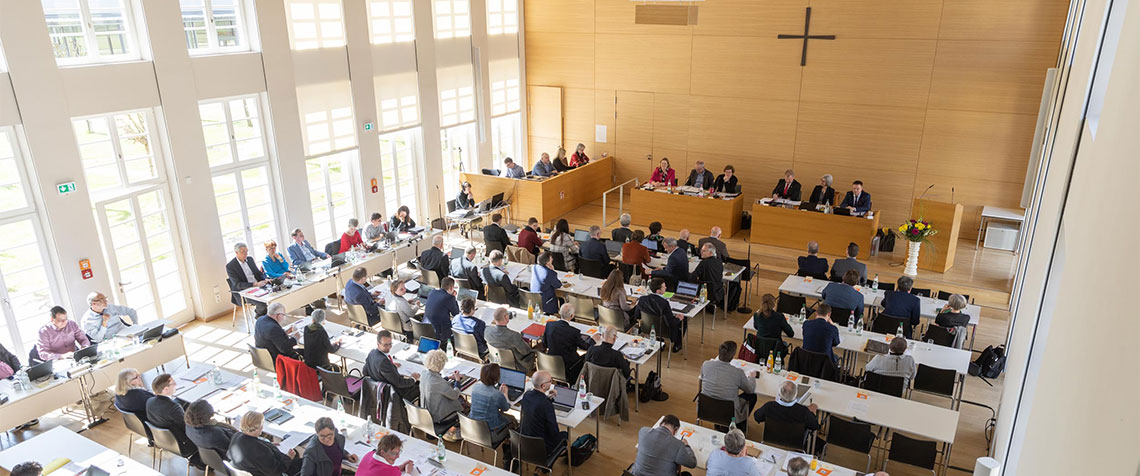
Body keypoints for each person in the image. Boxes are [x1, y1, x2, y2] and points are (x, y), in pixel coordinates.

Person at [147, 374, 204, 469]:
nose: (176, 385)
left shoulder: (150, 401)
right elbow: (187, 427)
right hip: (182, 444)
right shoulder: (173, 407)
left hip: (163, 440)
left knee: (181, 401)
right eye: (173, 383)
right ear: (165, 389)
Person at [700, 341, 759, 428]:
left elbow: (702, 378)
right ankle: (740, 424)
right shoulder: (737, 372)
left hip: (706, 409)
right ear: (732, 356)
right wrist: (751, 377)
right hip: (728, 412)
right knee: (752, 396)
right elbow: (750, 390)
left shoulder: (706, 365)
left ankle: (719, 423)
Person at [752, 380, 821, 452]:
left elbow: (757, 417)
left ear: (779, 394)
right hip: (795, 446)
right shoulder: (803, 412)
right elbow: (815, 426)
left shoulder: (769, 407)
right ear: (795, 395)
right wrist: (812, 413)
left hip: (770, 442)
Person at [229, 411, 303, 476]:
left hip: (254, 469)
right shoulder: (259, 450)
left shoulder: (237, 436)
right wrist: (288, 457)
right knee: (306, 461)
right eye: (262, 424)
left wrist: (268, 444)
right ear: (258, 427)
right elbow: (276, 471)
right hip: (276, 471)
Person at [519, 371, 567, 458]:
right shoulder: (546, 405)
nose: (551, 382)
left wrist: (549, 398)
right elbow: (554, 430)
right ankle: (546, 463)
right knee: (565, 435)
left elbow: (537, 403)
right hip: (541, 445)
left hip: (525, 440)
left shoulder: (527, 395)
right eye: (550, 381)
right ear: (543, 386)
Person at [630, 414, 696, 476]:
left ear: (660, 424)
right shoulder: (677, 445)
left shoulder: (643, 431)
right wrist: (686, 446)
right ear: (675, 430)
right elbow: (692, 463)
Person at [469, 363, 519, 445]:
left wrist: (499, 394)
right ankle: (511, 447)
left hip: (474, 428)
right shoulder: (496, 395)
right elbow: (506, 408)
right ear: (497, 378)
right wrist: (505, 394)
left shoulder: (475, 387)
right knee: (513, 419)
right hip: (490, 433)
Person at [420, 349, 465, 438]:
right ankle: (456, 431)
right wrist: (457, 381)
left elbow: (436, 384)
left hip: (427, 411)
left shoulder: (424, 373)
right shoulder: (438, 383)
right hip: (440, 416)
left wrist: (448, 378)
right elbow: (455, 395)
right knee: (463, 403)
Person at [544, 303, 596, 380]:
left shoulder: (549, 325)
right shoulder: (573, 332)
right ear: (572, 316)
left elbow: (545, 343)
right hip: (569, 365)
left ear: (559, 312)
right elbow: (586, 347)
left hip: (551, 363)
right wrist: (593, 340)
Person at [364, 330, 420, 402]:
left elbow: (365, 372)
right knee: (419, 386)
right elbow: (399, 383)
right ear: (378, 344)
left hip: (378, 390)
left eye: (390, 344)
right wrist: (413, 378)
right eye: (385, 345)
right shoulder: (383, 362)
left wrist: (390, 366)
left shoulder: (372, 353)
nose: (389, 347)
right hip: (392, 393)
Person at [637, 278, 686, 353]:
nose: (666, 288)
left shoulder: (642, 299)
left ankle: (660, 342)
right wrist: (678, 319)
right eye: (664, 287)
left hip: (647, 328)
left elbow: (637, 315)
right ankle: (677, 344)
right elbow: (671, 323)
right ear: (658, 291)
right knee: (684, 320)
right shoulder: (664, 303)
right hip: (665, 332)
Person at [225, 242, 268, 315]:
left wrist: (265, 279)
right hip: (244, 290)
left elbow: (258, 273)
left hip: (258, 286)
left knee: (275, 294)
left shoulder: (250, 259)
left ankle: (266, 318)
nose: (246, 254)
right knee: (262, 303)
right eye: (243, 252)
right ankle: (259, 316)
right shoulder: (230, 266)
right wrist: (255, 284)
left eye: (246, 251)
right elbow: (237, 284)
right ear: (236, 252)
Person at [425, 277, 460, 345]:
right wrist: (454, 298)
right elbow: (456, 313)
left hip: (428, 328)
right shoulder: (449, 298)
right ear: (451, 288)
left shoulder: (432, 292)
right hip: (442, 331)